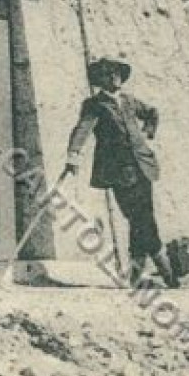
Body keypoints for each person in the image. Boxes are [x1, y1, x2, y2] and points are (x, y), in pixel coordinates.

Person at [62, 57, 178, 288]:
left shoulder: (129, 100)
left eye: (117, 73)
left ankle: (138, 277)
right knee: (139, 218)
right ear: (101, 79)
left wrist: (148, 132)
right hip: (119, 171)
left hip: (143, 167)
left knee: (142, 219)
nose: (115, 78)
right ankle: (165, 272)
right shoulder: (95, 104)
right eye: (109, 74)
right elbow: (81, 130)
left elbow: (152, 113)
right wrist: (73, 156)